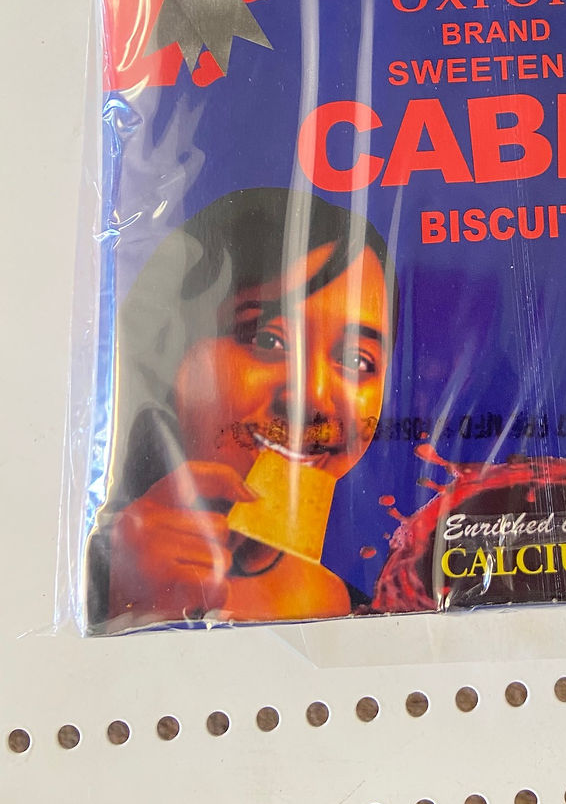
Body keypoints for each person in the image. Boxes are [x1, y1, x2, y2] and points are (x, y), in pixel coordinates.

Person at [88, 188, 396, 630]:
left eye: (355, 360)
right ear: (172, 352)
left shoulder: (378, 612)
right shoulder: (83, 572)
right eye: (266, 338)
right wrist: (119, 596)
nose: (311, 396)